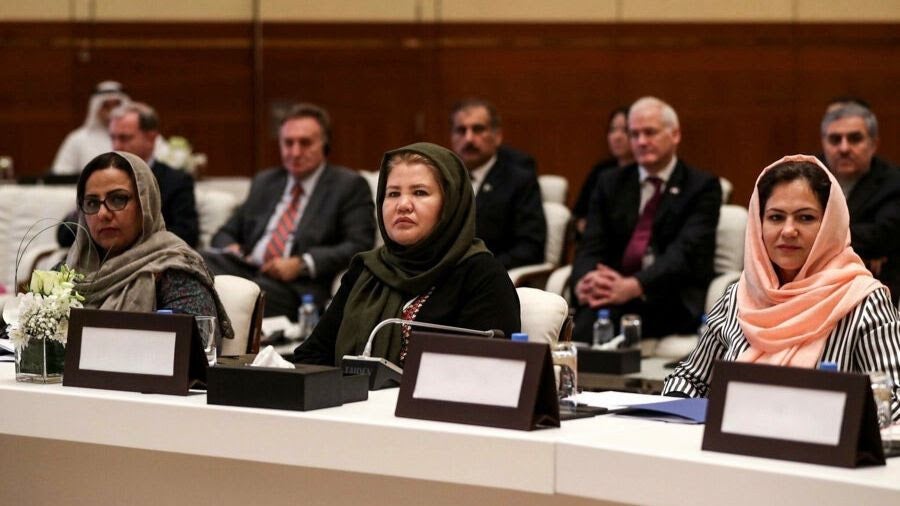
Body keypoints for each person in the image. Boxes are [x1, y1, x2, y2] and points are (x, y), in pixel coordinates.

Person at [663, 155, 900, 420]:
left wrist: (835, 423)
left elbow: (892, 398)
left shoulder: (864, 301)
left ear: (830, 225)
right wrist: (670, 423)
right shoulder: (738, 296)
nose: (788, 230)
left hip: (821, 455)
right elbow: (691, 378)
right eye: (776, 217)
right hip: (731, 447)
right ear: (758, 224)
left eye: (805, 218)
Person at [294, 142, 520, 367]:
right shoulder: (367, 269)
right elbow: (311, 355)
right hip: (351, 401)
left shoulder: (482, 275)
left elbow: (486, 376)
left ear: (450, 204)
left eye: (420, 192)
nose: (402, 205)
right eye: (392, 194)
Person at [204, 103, 375, 319]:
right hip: (248, 269)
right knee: (195, 262)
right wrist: (233, 247)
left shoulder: (349, 185)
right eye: (288, 143)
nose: (295, 152)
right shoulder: (265, 181)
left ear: (325, 145)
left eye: (305, 143)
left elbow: (359, 245)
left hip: (295, 287)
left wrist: (302, 263)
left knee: (244, 291)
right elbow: (225, 232)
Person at [572, 96, 721, 341]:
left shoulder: (702, 186)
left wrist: (634, 285)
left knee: (603, 327)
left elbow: (685, 254)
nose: (641, 142)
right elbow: (591, 244)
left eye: (650, 133)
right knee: (583, 327)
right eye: (634, 134)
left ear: (675, 135)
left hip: (668, 294)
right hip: (613, 293)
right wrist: (585, 281)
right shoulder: (610, 182)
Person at [66, 151, 232, 340]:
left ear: (146, 204)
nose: (102, 213)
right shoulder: (69, 273)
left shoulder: (174, 269)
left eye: (118, 199)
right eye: (92, 203)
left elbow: (195, 351)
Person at [58, 102, 199, 248]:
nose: (117, 146)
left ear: (151, 139)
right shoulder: (100, 179)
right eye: (113, 138)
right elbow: (64, 234)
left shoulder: (176, 180)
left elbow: (187, 235)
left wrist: (128, 236)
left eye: (124, 138)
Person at [449, 98, 546, 269]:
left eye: (478, 129)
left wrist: (483, 271)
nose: (469, 138)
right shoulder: (442, 179)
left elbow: (530, 247)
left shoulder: (519, 180)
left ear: (497, 136)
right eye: (461, 130)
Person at [819, 103, 900, 303]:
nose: (844, 148)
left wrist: (817, 237)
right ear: (823, 143)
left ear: (874, 144)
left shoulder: (893, 182)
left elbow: (883, 235)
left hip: (873, 286)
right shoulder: (805, 176)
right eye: (835, 140)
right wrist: (859, 249)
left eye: (855, 138)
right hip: (812, 285)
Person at [573, 106, 635, 234]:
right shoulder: (601, 171)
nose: (617, 137)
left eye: (625, 130)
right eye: (612, 130)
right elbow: (580, 216)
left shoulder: (648, 173)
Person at [51, 81, 130, 175]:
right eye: (106, 106)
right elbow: (61, 173)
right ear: (96, 108)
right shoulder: (77, 139)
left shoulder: (139, 135)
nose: (112, 111)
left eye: (116, 105)